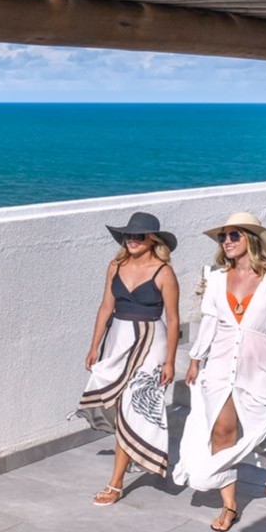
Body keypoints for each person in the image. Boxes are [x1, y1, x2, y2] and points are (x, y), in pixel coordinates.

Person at [176, 210, 266, 531]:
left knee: (264, 434)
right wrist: (196, 358)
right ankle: (230, 506)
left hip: (263, 366)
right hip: (221, 365)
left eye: (233, 235)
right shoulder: (216, 278)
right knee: (222, 432)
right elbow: (210, 321)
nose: (226, 241)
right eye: (222, 236)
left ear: (251, 239)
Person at [80, 211, 182, 505]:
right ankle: (135, 451)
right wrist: (94, 346)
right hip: (118, 340)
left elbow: (173, 319)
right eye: (128, 235)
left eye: (139, 236)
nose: (132, 240)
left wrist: (170, 361)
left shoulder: (164, 272)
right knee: (113, 401)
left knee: (132, 408)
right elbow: (105, 307)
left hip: (151, 344)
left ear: (152, 240)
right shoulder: (115, 265)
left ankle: (115, 483)